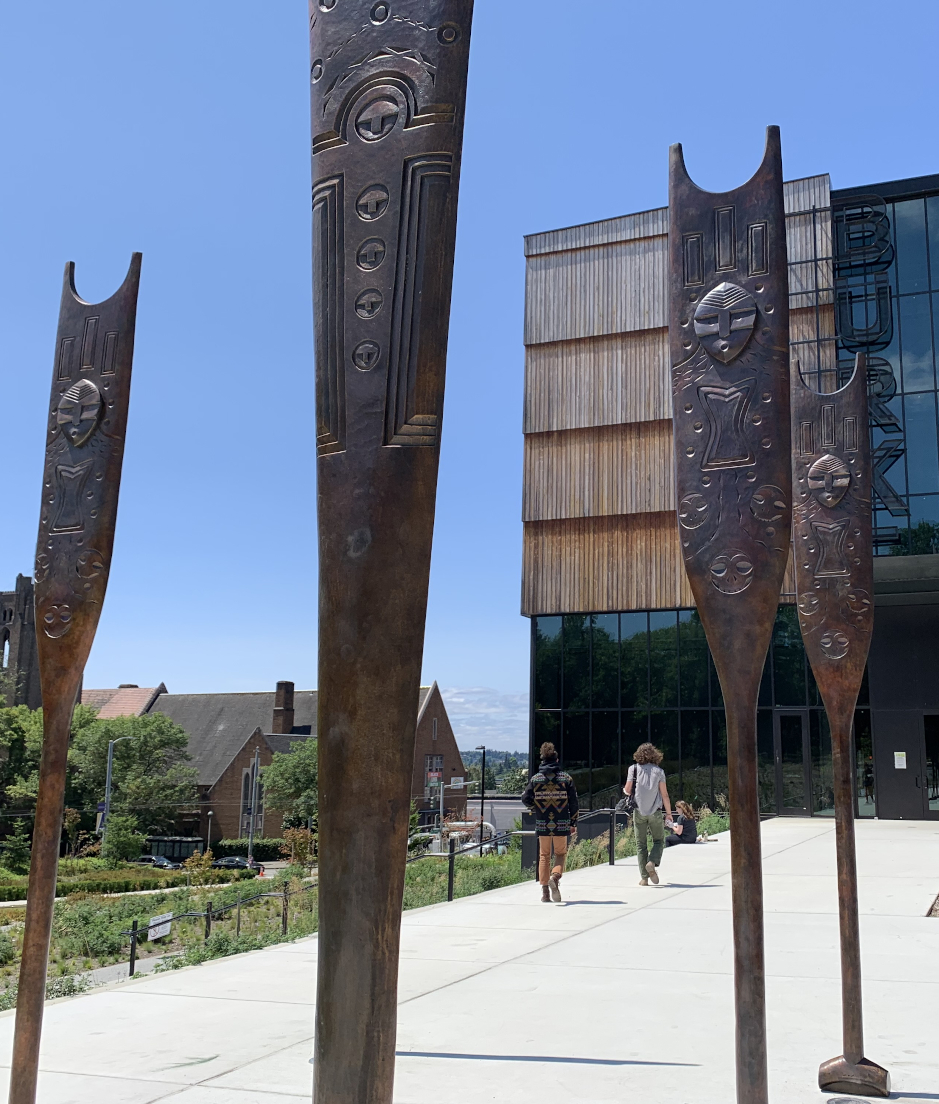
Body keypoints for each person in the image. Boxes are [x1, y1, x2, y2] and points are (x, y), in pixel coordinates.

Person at [522, 741, 579, 903]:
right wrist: (573, 822)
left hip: (542, 823)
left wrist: (537, 807)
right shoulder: (566, 778)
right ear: (556, 759)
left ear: (542, 759)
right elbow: (574, 802)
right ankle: (555, 876)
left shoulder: (536, 779)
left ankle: (545, 893)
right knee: (560, 854)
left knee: (544, 855)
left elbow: (525, 798)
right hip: (561, 823)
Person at [624, 742, 673, 885]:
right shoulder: (659, 771)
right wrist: (669, 814)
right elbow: (664, 795)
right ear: (655, 755)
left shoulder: (632, 769)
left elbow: (627, 790)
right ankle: (652, 862)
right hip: (655, 812)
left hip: (638, 811)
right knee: (659, 840)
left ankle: (644, 878)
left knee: (641, 844)